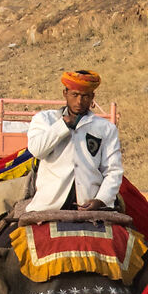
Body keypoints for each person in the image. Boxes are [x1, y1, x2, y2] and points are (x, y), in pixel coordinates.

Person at [26, 69, 123, 210]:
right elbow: (37, 150)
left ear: (92, 97)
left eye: (85, 96)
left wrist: (101, 200)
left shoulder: (106, 128)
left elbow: (113, 170)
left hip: (90, 204)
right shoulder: (45, 119)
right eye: (75, 95)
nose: (79, 101)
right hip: (49, 203)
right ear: (65, 93)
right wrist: (62, 126)